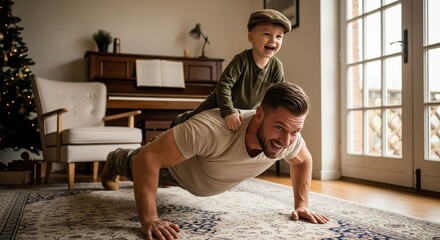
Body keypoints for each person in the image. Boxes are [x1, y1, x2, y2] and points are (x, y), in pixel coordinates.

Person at [101, 82, 329, 240]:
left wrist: (302, 205)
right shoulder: (212, 129)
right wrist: (150, 218)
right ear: (259, 114)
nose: (286, 140)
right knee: (135, 159)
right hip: (176, 169)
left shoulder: (289, 138)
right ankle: (113, 159)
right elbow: (146, 159)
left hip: (204, 175)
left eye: (295, 131)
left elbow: (302, 160)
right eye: (279, 127)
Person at [173, 9, 291, 131]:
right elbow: (223, 85)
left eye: (279, 36)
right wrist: (229, 112)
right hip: (218, 103)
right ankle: (179, 120)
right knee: (193, 120)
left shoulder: (277, 67)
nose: (273, 40)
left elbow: (276, 97)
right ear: (251, 38)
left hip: (245, 111)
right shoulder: (242, 60)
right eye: (267, 34)